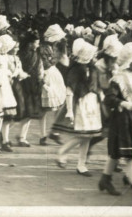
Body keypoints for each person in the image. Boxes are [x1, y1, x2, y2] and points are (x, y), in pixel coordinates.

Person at [98, 43, 132, 202]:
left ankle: (105, 179)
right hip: (122, 119)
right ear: (130, 60)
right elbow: (109, 99)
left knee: (116, 152)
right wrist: (125, 104)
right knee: (130, 154)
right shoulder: (118, 78)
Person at [54, 38, 102, 176]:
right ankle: (62, 152)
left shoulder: (90, 66)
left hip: (92, 102)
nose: (94, 55)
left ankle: (81, 165)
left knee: (88, 135)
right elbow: (69, 89)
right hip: (82, 102)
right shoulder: (76, 69)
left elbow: (94, 83)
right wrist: (69, 110)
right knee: (82, 135)